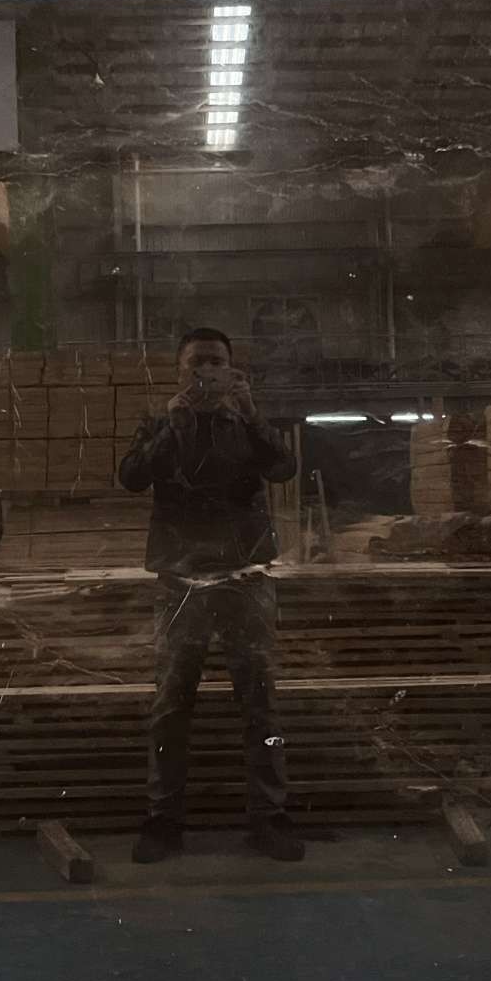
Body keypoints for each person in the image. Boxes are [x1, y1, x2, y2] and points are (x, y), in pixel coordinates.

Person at [118, 328, 302, 864]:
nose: (206, 371)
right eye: (196, 362)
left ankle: (270, 819)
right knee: (170, 706)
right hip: (180, 581)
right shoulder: (161, 421)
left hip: (245, 578)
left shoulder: (244, 420)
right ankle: (163, 821)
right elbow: (131, 477)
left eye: (216, 362)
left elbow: (284, 467)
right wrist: (173, 428)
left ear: (231, 369)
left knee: (261, 706)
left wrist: (253, 415)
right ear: (179, 370)